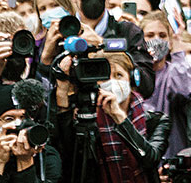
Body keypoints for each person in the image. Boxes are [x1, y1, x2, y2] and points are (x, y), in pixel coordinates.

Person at [39, 0, 155, 98]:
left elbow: (147, 85)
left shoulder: (128, 32)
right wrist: (46, 59)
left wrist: (102, 45)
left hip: (116, 111)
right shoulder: (61, 32)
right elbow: (43, 92)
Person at [53, 51, 170, 183]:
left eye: (119, 75)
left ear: (132, 79)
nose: (112, 82)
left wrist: (119, 117)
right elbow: (68, 157)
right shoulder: (86, 121)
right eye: (105, 77)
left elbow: (150, 159)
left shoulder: (156, 120)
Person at [0, 80, 62, 182]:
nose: (17, 125)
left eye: (23, 118)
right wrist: (0, 162)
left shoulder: (45, 154)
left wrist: (26, 161)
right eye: (9, 119)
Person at [140, 11, 191, 157]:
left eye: (163, 36)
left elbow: (184, 90)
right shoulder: (133, 73)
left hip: (171, 151)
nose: (157, 40)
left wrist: (177, 43)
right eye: (150, 36)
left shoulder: (174, 70)